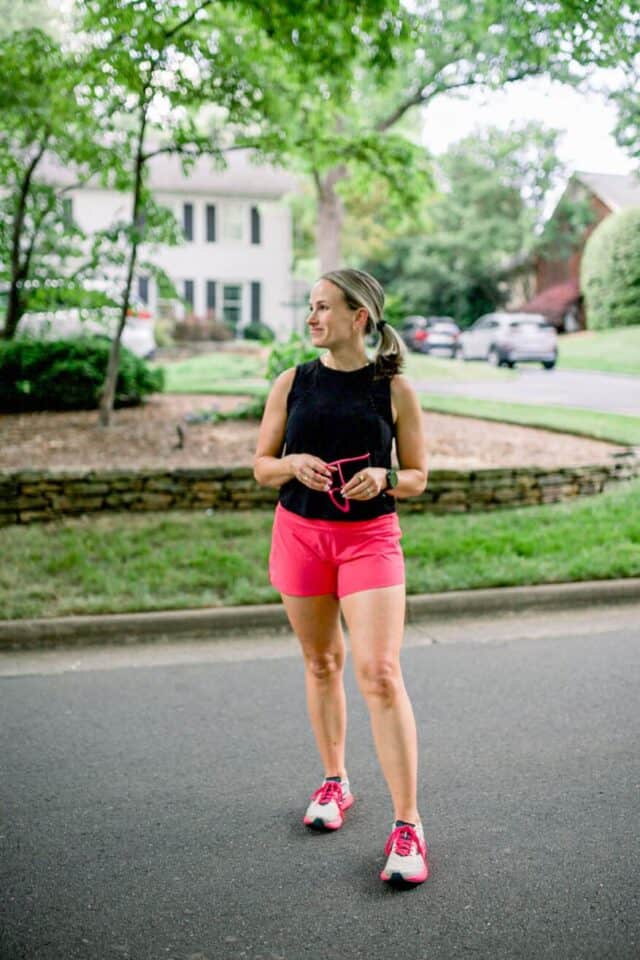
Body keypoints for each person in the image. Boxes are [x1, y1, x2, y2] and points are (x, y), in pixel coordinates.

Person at [254, 268, 429, 885]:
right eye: (309, 307)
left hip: (369, 540)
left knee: (378, 673)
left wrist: (385, 478)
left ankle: (408, 825)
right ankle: (336, 783)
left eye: (322, 307)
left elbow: (417, 477)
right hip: (300, 535)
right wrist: (289, 463)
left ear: (359, 317)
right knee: (322, 662)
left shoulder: (394, 389)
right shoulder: (292, 382)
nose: (311, 318)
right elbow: (260, 466)